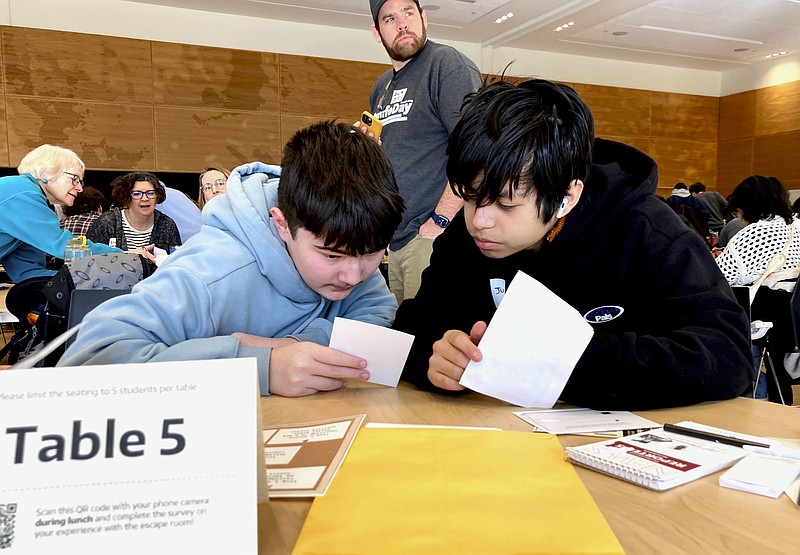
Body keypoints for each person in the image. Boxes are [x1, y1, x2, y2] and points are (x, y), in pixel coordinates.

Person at [392, 79, 753, 410]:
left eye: (506, 203)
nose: (480, 220)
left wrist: (566, 362)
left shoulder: (647, 232)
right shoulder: (465, 235)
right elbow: (414, 325)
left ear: (567, 196)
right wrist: (435, 356)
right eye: (470, 196)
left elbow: (728, 355)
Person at [59, 121, 405, 398]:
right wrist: (259, 366)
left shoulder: (352, 242)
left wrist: (294, 344)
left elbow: (375, 312)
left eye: (373, 254)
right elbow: (87, 364)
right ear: (282, 224)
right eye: (331, 255)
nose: (353, 275)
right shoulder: (212, 273)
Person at [367, 0, 482, 303]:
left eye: (408, 12)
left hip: (434, 235)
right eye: (389, 18)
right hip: (397, 240)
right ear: (377, 32)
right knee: (406, 339)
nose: (402, 23)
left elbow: (475, 151)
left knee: (431, 338)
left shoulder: (447, 65)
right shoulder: (382, 88)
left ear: (424, 18)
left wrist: (440, 221)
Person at [0, 145, 121, 323]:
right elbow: (63, 244)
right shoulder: (21, 193)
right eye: (74, 179)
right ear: (46, 172)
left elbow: (28, 272)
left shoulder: (24, 204)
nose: (80, 188)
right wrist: (123, 256)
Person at [715, 176, 800, 404]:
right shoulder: (798, 226)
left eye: (738, 213)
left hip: (766, 321)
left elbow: (718, 278)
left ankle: (750, 394)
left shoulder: (752, 235)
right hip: (793, 320)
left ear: (747, 208)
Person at [86, 172, 182, 252]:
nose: (145, 198)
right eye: (137, 194)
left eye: (151, 193)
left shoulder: (167, 225)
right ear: (127, 198)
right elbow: (89, 259)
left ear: (157, 197)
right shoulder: (106, 223)